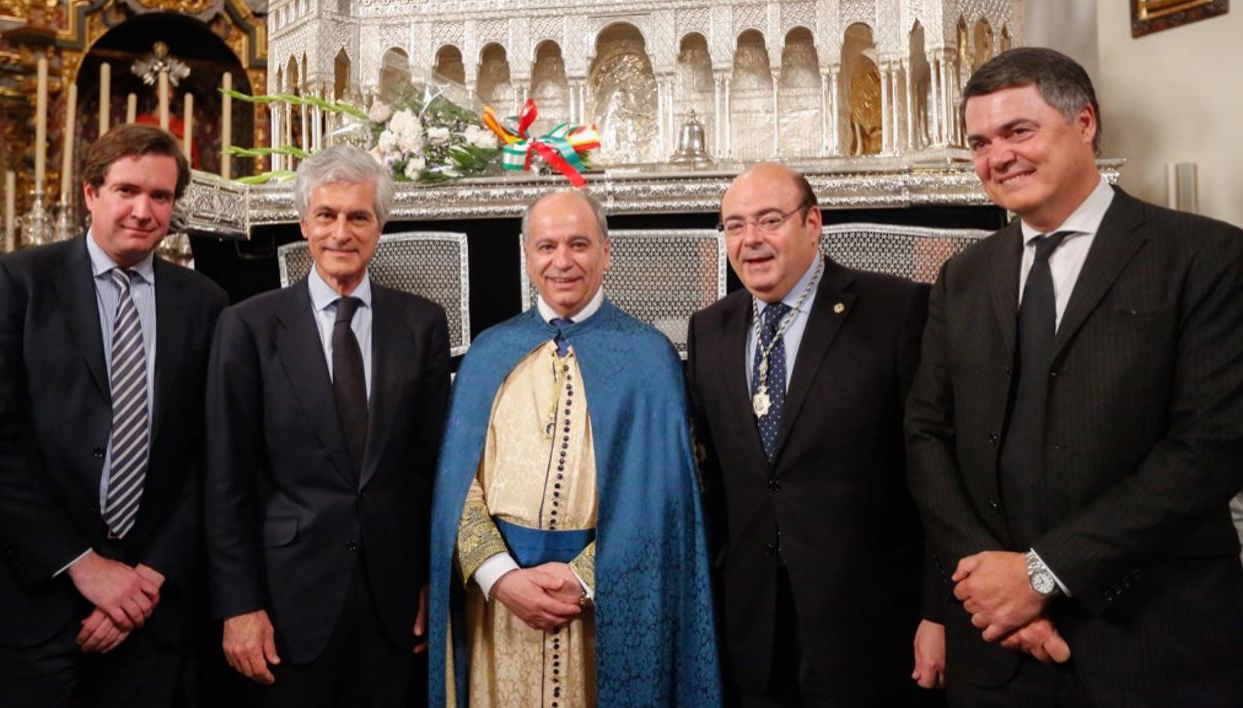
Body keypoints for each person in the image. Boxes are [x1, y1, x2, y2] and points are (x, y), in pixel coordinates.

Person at [904, 47, 1243, 705]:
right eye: (978, 142)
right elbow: (925, 435)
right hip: (995, 648)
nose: (996, 156)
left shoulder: (1204, 257)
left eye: (1017, 131)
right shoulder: (962, 278)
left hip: (1151, 639)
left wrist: (1040, 576)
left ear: (1083, 123)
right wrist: (988, 586)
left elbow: (1211, 447)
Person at [0, 124, 227, 708]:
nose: (143, 210)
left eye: (160, 196)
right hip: (27, 599)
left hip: (151, 610)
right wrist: (82, 566)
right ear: (90, 193)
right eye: (127, 189)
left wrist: (147, 577)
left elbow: (211, 453)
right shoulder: (20, 281)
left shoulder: (204, 301)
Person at [428, 189, 720, 707]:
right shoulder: (488, 353)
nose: (561, 261)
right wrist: (500, 577)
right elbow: (456, 488)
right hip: (500, 614)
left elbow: (663, 498)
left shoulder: (648, 357)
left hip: (606, 610)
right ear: (526, 256)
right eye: (546, 246)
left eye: (579, 244)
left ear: (606, 253)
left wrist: (584, 579)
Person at [686, 163, 943, 707]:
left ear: (813, 223)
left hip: (870, 627)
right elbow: (711, 480)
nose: (750, 240)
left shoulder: (897, 312)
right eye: (734, 226)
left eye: (769, 220)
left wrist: (937, 612)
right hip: (753, 627)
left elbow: (937, 474)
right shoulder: (709, 329)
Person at [205, 145, 451, 706]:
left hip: (393, 607)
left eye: (358, 216)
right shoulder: (248, 326)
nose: (342, 231)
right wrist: (239, 606)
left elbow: (430, 468)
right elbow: (226, 480)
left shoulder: (421, 324)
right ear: (304, 225)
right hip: (284, 604)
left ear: (379, 227)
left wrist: (428, 583)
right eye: (327, 215)